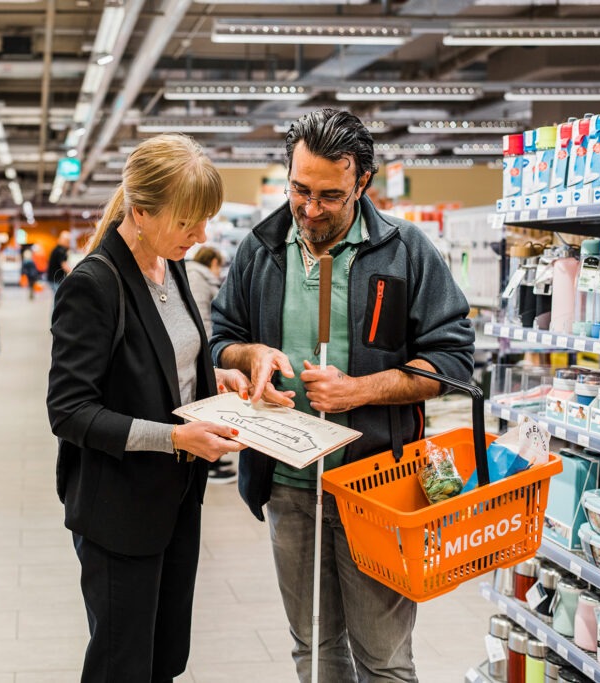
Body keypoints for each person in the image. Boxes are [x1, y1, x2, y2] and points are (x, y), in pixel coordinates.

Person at [210, 108, 475, 682]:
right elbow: (221, 337)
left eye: (329, 195)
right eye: (299, 189)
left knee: (382, 659)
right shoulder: (261, 249)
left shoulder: (404, 252)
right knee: (313, 649)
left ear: (362, 183)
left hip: (376, 489)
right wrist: (249, 355)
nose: (309, 209)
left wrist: (359, 390)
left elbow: (453, 361)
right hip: (288, 483)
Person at [47, 133, 257, 683]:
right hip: (118, 510)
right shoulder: (94, 285)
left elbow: (174, 362)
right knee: (123, 663)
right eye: (189, 223)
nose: (201, 236)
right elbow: (69, 411)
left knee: (166, 656)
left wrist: (221, 378)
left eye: (204, 221)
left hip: (175, 501)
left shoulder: (173, 265)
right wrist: (174, 438)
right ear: (140, 212)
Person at [186, 246, 236, 484]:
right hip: (203, 350)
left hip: (205, 349)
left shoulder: (198, 276)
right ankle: (209, 464)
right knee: (205, 407)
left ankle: (214, 458)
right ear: (213, 261)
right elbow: (201, 317)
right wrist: (209, 351)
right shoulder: (197, 277)